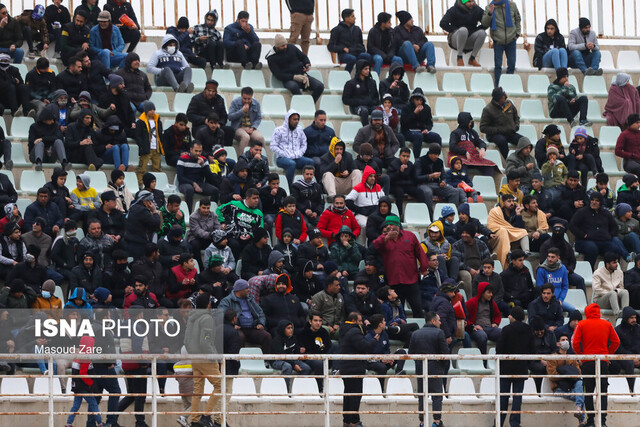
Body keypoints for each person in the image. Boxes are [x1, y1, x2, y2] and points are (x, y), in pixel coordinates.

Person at [572, 303, 620, 427]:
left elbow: (574, 343)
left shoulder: (581, 324)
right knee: (603, 392)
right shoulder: (607, 324)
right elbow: (616, 341)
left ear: (587, 312)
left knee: (589, 391)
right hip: (603, 361)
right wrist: (607, 354)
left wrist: (581, 355)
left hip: (588, 361)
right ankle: (603, 421)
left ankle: (591, 421)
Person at [373, 215, 429, 319]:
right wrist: (387, 237)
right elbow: (375, 245)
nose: (389, 227)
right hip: (394, 281)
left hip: (411, 280)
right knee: (399, 310)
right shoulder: (383, 238)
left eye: (391, 224)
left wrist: (423, 268)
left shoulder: (410, 236)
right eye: (387, 225)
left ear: (398, 225)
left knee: (417, 307)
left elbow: (420, 253)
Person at [496, 306, 534, 427]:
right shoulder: (528, 329)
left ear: (514, 317)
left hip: (506, 368)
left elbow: (499, 348)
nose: (508, 316)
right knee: (518, 398)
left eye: (510, 315)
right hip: (521, 367)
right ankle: (515, 423)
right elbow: (532, 348)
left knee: (503, 398)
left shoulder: (506, 329)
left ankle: (499, 423)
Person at [409, 311, 448, 427]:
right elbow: (445, 353)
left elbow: (411, 352)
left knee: (422, 396)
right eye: (439, 320)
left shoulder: (416, 333)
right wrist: (443, 365)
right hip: (435, 368)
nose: (440, 323)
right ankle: (436, 422)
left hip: (420, 368)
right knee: (437, 396)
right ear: (433, 321)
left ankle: (422, 422)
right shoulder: (439, 333)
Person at [570, 192, 629, 268]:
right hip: (584, 241)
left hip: (603, 241)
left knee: (615, 249)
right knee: (592, 248)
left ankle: (611, 271)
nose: (594, 202)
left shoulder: (606, 213)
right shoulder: (582, 212)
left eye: (597, 201)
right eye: (592, 200)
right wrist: (582, 234)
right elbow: (572, 225)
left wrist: (609, 236)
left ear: (601, 202)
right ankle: (590, 270)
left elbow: (614, 227)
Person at [218, 279, 272, 353]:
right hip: (238, 328)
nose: (249, 290)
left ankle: (266, 361)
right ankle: (239, 362)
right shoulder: (227, 301)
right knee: (239, 337)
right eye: (247, 288)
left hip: (252, 327)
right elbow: (220, 315)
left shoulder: (250, 298)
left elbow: (260, 313)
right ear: (239, 290)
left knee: (267, 336)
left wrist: (261, 323)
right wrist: (231, 325)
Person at [267, 34, 324, 102]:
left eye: (286, 44)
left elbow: (303, 57)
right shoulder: (271, 58)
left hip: (303, 75)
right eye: (283, 46)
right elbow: (278, 74)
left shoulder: (291, 47)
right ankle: (300, 103)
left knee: (320, 86)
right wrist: (294, 77)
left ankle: (310, 103)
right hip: (289, 79)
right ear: (277, 47)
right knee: (293, 87)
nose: (285, 47)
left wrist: (307, 65)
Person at [546, 333, 587, 425]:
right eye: (563, 340)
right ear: (558, 343)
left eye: (567, 340)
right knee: (581, 396)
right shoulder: (552, 358)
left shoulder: (572, 357)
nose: (565, 342)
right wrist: (568, 375)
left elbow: (578, 373)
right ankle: (581, 420)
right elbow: (552, 375)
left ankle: (579, 409)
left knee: (580, 382)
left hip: (573, 388)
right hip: (559, 389)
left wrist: (569, 374)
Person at [481, 0, 523, 85]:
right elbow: (484, 24)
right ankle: (498, 86)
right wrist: (490, 13)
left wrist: (517, 33)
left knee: (511, 65)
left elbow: (518, 19)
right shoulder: (489, 7)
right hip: (498, 41)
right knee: (498, 66)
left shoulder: (512, 5)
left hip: (511, 40)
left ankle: (508, 84)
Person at [540, 218, 586, 294]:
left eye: (559, 231)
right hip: (550, 274)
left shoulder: (567, 246)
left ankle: (584, 302)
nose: (557, 233)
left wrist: (568, 270)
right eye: (556, 231)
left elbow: (573, 262)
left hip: (566, 273)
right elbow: (542, 261)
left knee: (580, 280)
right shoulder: (546, 245)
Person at [65, 336, 103, 427]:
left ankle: (68, 423)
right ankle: (100, 423)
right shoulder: (86, 357)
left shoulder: (78, 355)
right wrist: (91, 383)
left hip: (76, 385)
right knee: (93, 403)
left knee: (76, 405)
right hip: (84, 386)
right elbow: (83, 373)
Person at [216, 188, 263, 259]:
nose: (257, 200)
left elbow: (260, 229)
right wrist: (222, 222)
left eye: (257, 198)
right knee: (234, 244)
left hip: (249, 238)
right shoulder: (235, 204)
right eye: (254, 198)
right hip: (233, 235)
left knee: (252, 247)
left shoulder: (258, 213)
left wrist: (250, 235)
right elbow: (219, 210)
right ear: (247, 198)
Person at [271, 109, 313, 185]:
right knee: (291, 164)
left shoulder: (299, 130)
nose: (296, 121)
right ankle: (289, 187)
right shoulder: (279, 130)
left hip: (297, 157)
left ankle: (308, 185)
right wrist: (284, 153)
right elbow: (273, 146)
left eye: (297, 119)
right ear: (288, 119)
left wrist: (299, 153)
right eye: (294, 119)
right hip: (282, 158)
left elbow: (304, 143)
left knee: (310, 162)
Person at [448, 112, 497, 176]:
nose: (471, 123)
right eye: (470, 121)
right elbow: (452, 146)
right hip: (462, 157)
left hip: (474, 157)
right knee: (460, 165)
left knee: (489, 166)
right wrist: (465, 152)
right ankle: (464, 183)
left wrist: (482, 148)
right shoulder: (455, 133)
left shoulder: (473, 132)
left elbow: (480, 142)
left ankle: (485, 183)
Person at [480, 86, 523, 159]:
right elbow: (483, 127)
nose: (506, 96)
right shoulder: (488, 109)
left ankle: (523, 160)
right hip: (495, 135)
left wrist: (516, 126)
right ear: (499, 98)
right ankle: (510, 161)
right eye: (504, 96)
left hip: (510, 132)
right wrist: (498, 130)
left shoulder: (509, 104)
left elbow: (516, 117)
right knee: (502, 141)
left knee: (524, 141)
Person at [440, 0, 486, 67]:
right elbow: (443, 23)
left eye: (473, 1)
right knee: (463, 30)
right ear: (463, 2)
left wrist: (476, 30)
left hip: (469, 40)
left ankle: (472, 58)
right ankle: (459, 57)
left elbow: (486, 23)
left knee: (482, 33)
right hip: (456, 40)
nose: (472, 3)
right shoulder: (454, 10)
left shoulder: (477, 10)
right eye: (469, 2)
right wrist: (455, 30)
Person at [487, 194, 529, 268]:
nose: (512, 203)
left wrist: (518, 214)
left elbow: (519, 229)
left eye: (513, 201)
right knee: (503, 230)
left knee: (523, 232)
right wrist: (506, 229)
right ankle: (507, 254)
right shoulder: (495, 211)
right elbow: (491, 226)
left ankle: (526, 253)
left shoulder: (515, 211)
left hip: (511, 238)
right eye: (509, 201)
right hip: (495, 238)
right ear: (503, 202)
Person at [176, 141, 218, 213]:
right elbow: (180, 177)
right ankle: (189, 213)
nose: (198, 153)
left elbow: (210, 177)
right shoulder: (182, 159)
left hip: (199, 183)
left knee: (215, 190)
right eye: (196, 151)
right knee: (189, 190)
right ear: (191, 149)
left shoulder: (204, 159)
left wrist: (203, 165)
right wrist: (193, 183)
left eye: (200, 151)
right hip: (185, 183)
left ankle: (210, 212)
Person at [187, 79, 234, 144]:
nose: (211, 93)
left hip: (216, 126)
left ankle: (224, 151)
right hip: (201, 125)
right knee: (205, 131)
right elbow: (190, 115)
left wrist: (219, 123)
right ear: (205, 90)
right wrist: (204, 120)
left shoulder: (220, 100)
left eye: (213, 91)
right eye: (209, 91)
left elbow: (224, 116)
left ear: (216, 92)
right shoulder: (196, 99)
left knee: (229, 130)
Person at [401, 88, 441, 159]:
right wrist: (414, 114)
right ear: (413, 99)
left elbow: (429, 123)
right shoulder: (406, 107)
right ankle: (417, 159)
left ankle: (435, 157)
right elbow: (403, 123)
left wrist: (426, 129)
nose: (419, 102)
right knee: (418, 136)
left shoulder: (426, 108)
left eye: (421, 100)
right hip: (408, 131)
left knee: (437, 137)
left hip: (422, 131)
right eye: (417, 100)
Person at [327, 8, 370, 73]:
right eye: (352, 16)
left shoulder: (357, 29)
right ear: (346, 18)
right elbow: (330, 46)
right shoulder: (337, 30)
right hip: (344, 55)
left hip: (356, 53)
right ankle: (345, 76)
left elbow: (361, 46)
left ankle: (362, 77)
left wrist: (355, 49)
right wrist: (343, 48)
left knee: (367, 56)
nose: (355, 18)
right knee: (352, 59)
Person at [124, 191, 162, 259]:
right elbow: (156, 223)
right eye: (150, 201)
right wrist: (154, 212)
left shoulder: (133, 207)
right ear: (145, 202)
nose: (152, 203)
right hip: (139, 244)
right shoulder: (142, 211)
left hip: (131, 242)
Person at [227, 86, 265, 155]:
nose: (247, 101)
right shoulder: (235, 102)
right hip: (238, 127)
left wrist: (253, 127)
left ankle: (263, 160)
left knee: (260, 138)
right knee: (245, 137)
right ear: (241, 96)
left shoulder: (256, 103)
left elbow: (258, 118)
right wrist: (241, 111)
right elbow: (230, 117)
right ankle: (242, 159)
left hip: (251, 127)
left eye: (249, 99)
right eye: (244, 99)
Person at [465, 282, 502, 354]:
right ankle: (483, 360)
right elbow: (464, 317)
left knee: (502, 333)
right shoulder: (471, 302)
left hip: (489, 328)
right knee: (482, 337)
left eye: (491, 293)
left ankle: (498, 357)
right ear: (482, 293)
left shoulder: (492, 303)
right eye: (489, 292)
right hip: (476, 329)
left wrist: (495, 323)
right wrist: (472, 326)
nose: (491, 295)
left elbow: (497, 315)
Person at [592, 252, 630, 318]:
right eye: (614, 263)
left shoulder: (619, 272)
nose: (617, 264)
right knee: (612, 293)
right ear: (607, 264)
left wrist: (616, 291)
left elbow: (621, 287)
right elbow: (597, 289)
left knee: (625, 292)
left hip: (615, 299)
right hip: (601, 300)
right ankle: (618, 315)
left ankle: (626, 314)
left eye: (617, 262)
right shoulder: (598, 273)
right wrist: (611, 293)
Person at [135, 101, 164, 187]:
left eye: (153, 109)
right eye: (150, 109)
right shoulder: (141, 122)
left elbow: (160, 134)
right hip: (146, 149)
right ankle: (139, 185)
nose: (152, 111)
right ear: (146, 110)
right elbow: (138, 136)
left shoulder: (157, 120)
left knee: (157, 168)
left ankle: (156, 186)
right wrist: (141, 145)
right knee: (142, 169)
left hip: (156, 148)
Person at [342, 59, 379, 127]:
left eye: (369, 69)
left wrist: (371, 101)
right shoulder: (351, 83)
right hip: (357, 107)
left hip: (370, 106)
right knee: (364, 111)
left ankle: (379, 131)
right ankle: (367, 131)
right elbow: (345, 100)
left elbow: (376, 98)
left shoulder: (372, 82)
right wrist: (361, 101)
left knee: (379, 111)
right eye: (365, 69)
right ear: (360, 69)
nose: (368, 71)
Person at [611, 306, 640, 390]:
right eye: (631, 318)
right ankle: (632, 389)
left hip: (637, 356)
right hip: (624, 357)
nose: (634, 320)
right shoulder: (618, 330)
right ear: (626, 318)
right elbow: (618, 348)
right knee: (629, 364)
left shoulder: (638, 329)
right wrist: (631, 357)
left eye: (635, 317)